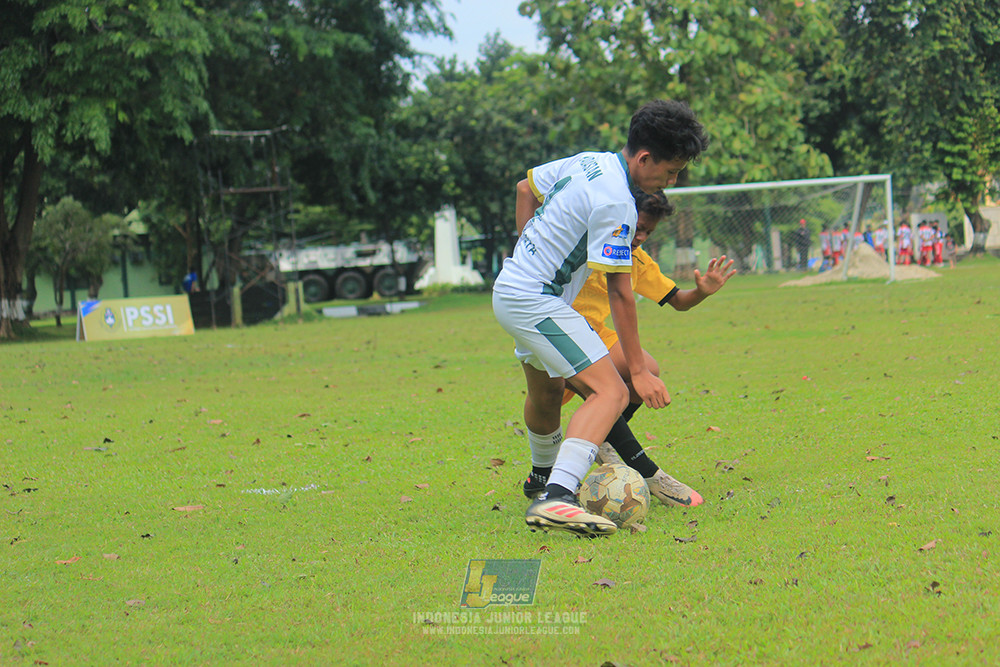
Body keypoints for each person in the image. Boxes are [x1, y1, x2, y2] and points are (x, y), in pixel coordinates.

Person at [493, 99, 710, 536]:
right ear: (645, 158)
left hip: (514, 287)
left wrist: (530, 250)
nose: (671, 181)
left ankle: (541, 477)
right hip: (537, 299)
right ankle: (558, 497)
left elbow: (524, 187)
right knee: (611, 391)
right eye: (670, 172)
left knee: (547, 391)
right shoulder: (618, 203)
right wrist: (640, 373)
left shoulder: (588, 162)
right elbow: (620, 292)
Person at [521, 191, 736, 508]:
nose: (641, 237)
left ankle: (606, 437)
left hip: (595, 335)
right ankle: (636, 472)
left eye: (649, 231)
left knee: (646, 371)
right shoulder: (581, 241)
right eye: (638, 228)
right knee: (548, 399)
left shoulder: (634, 258)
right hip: (554, 329)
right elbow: (527, 191)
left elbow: (677, 300)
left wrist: (701, 292)